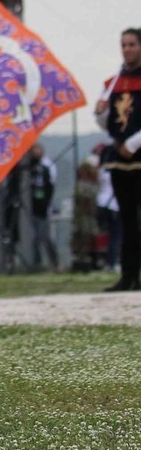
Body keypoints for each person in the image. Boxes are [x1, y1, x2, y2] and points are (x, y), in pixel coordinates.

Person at [96, 27, 141, 292]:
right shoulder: (113, 84)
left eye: (132, 44)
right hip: (119, 160)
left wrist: (134, 143)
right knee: (127, 218)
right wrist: (100, 113)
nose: (127, 49)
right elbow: (107, 123)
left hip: (138, 153)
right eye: (123, 45)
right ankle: (129, 275)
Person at [26, 143, 59, 271]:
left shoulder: (46, 168)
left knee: (45, 236)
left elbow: (50, 187)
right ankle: (36, 263)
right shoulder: (28, 169)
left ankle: (54, 261)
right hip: (30, 207)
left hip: (43, 208)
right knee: (33, 237)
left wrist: (47, 204)